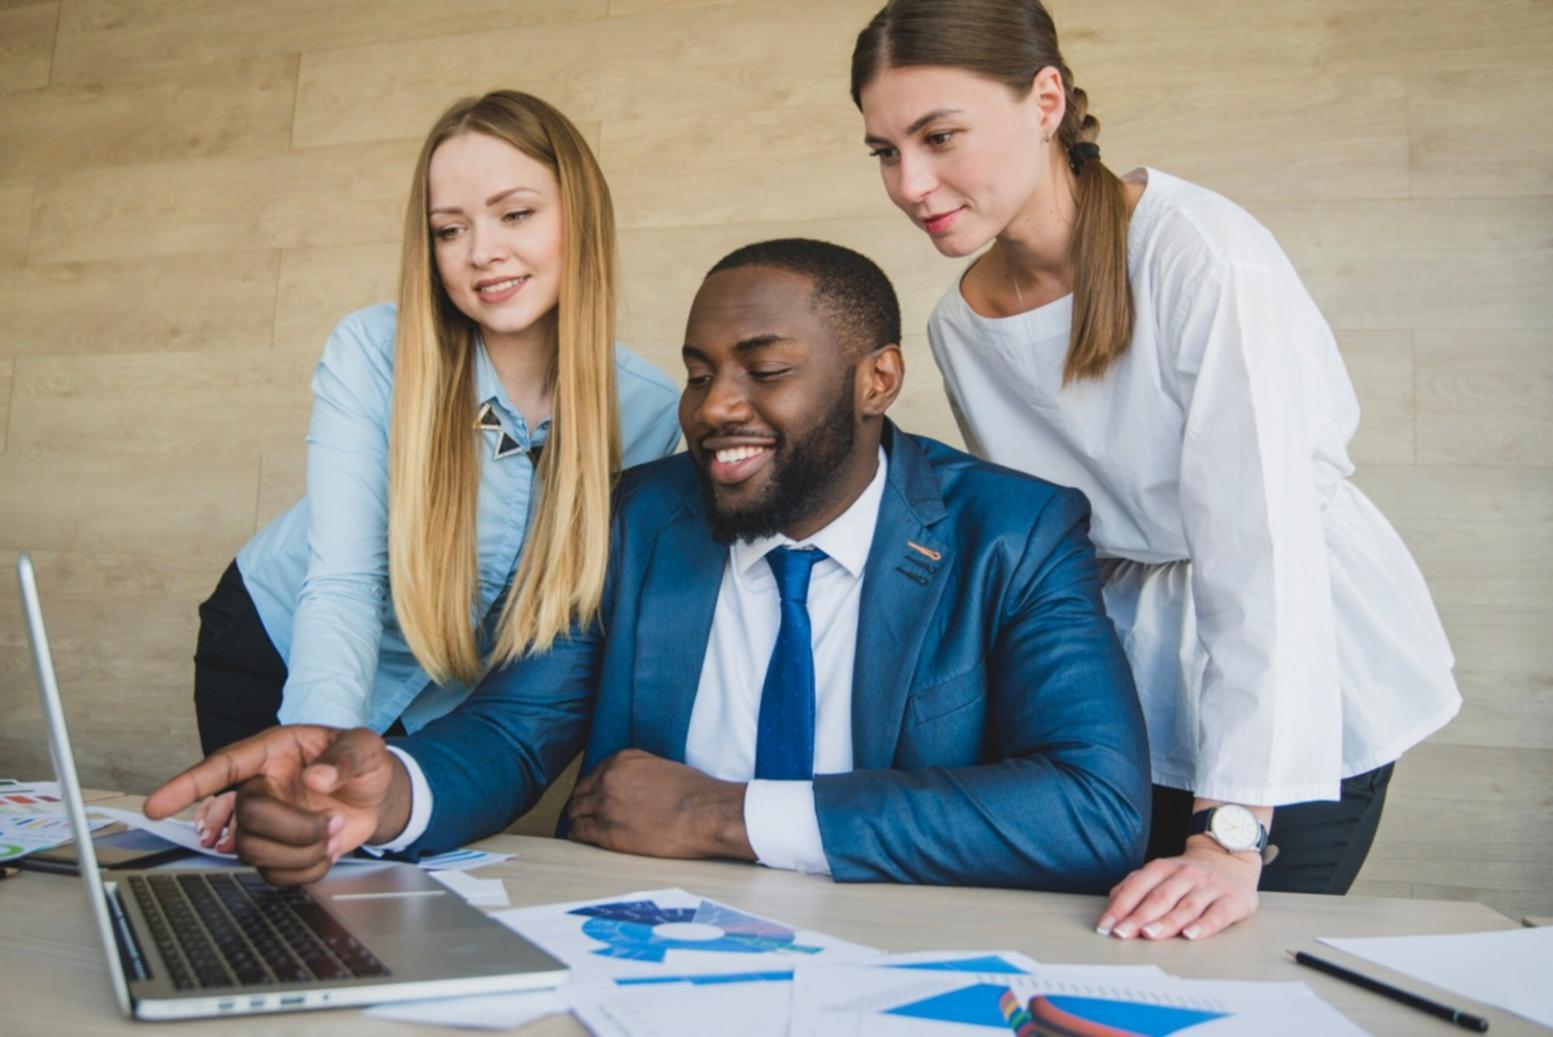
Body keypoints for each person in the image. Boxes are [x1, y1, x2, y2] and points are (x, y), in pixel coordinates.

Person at [148, 238, 1152, 893]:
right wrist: (391, 795)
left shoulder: (1011, 531)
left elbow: (1093, 806)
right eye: (698, 368)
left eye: (764, 370)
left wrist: (725, 814)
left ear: (874, 379)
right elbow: (512, 726)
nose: (714, 404)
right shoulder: (634, 516)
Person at [850, 0, 1460, 939]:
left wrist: (1230, 829)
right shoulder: (958, 324)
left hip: (1298, 660)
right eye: (885, 151)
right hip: (1132, 671)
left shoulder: (1196, 252)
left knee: (1238, 964)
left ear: (1044, 99)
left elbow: (1258, 546)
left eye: (939, 137)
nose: (910, 181)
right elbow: (1051, 552)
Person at [188, 90, 681, 850]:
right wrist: (311, 747)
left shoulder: (647, 409)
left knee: (395, 891)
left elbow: (569, 629)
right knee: (284, 865)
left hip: (446, 702)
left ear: (579, 216)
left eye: (515, 214)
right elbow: (344, 583)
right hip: (281, 649)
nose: (480, 251)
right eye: (449, 230)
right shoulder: (372, 349)